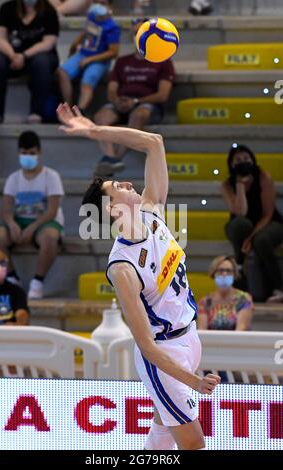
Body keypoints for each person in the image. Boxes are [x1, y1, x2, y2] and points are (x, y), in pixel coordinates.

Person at [57, 103, 220, 450]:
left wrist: (94, 131)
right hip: (163, 356)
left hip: (189, 338)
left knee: (163, 432)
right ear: (114, 209)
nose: (130, 182)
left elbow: (153, 141)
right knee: (194, 444)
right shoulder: (123, 268)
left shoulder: (152, 210)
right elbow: (145, 344)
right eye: (119, 186)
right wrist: (192, 381)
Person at [0, 131, 64, 300]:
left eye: (32, 153)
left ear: (39, 153)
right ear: (18, 153)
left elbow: (52, 210)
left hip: (45, 222)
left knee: (50, 238)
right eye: (24, 153)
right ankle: (11, 277)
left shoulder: (51, 176)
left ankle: (38, 281)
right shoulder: (13, 179)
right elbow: (6, 210)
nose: (27, 157)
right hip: (19, 221)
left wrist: (33, 226)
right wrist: (12, 224)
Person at [94, 17, 175, 176]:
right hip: (123, 101)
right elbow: (112, 89)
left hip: (146, 104)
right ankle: (111, 158)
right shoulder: (122, 61)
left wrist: (136, 101)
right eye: (135, 33)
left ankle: (114, 158)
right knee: (101, 116)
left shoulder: (163, 61)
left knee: (139, 115)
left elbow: (163, 95)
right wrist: (116, 101)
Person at [222, 144, 283, 303]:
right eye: (238, 160)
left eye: (246, 159)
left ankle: (279, 287)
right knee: (240, 224)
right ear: (231, 164)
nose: (243, 162)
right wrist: (240, 185)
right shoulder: (227, 184)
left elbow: (267, 214)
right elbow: (240, 212)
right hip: (241, 227)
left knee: (261, 240)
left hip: (269, 223)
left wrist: (251, 237)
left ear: (253, 160)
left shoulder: (263, 176)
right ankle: (240, 268)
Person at [0, 0, 60, 124]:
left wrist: (24, 55)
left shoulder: (49, 11)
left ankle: (36, 112)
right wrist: (13, 55)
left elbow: (48, 42)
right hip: (12, 55)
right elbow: (0, 37)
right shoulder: (6, 8)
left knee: (41, 63)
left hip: (38, 55)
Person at [57, 0, 120, 112]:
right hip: (83, 53)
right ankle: (68, 107)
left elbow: (113, 52)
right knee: (62, 72)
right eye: (97, 2)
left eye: (103, 3)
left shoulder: (112, 27)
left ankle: (80, 111)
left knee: (87, 82)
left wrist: (89, 60)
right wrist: (75, 44)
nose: (99, 6)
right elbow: (86, 32)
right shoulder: (92, 16)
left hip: (100, 59)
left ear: (110, 7)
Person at [197, 256, 254, 331]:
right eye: (221, 270)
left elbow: (240, 331)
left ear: (234, 274)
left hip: (236, 342)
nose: (224, 273)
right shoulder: (204, 302)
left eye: (229, 271)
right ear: (214, 273)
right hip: (210, 342)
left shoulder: (243, 299)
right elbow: (202, 331)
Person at [0, 249, 29, 325]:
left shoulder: (16, 291)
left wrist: (17, 328)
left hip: (12, 333)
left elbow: (22, 314)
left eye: (2, 263)